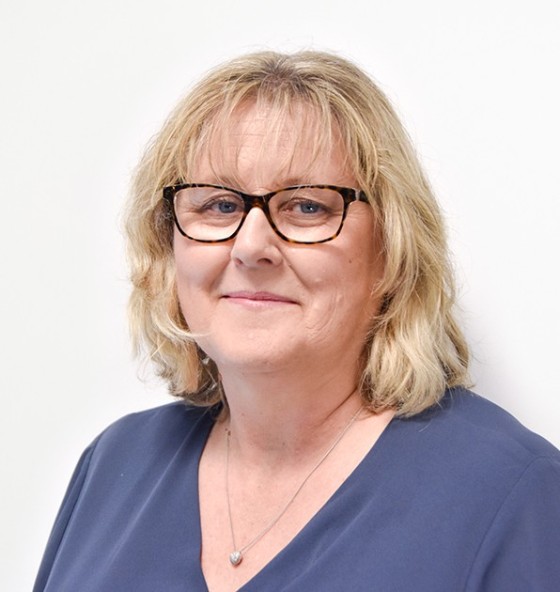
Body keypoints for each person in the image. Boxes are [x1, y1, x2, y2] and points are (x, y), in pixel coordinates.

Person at [34, 51, 560, 592]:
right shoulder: (114, 466)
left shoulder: (511, 494)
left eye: (307, 206)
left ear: (391, 250)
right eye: (218, 206)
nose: (251, 247)